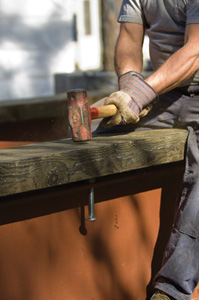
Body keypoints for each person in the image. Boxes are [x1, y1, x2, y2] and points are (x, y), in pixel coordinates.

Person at [92, 1, 199, 300]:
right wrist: (129, 85)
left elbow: (195, 51)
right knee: (104, 132)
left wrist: (141, 93)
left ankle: (171, 291)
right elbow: (128, 37)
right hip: (165, 94)